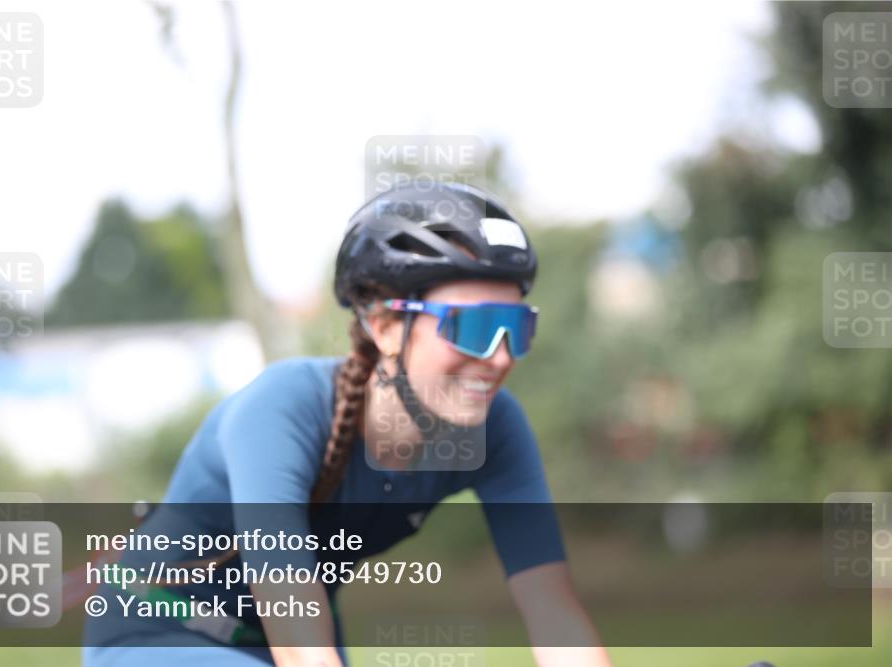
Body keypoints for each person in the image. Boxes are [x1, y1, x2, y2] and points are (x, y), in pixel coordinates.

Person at [82, 180, 612, 666]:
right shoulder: (282, 407)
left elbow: (553, 613)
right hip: (156, 632)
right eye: (474, 327)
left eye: (515, 328)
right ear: (384, 325)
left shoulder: (496, 428)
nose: (499, 358)